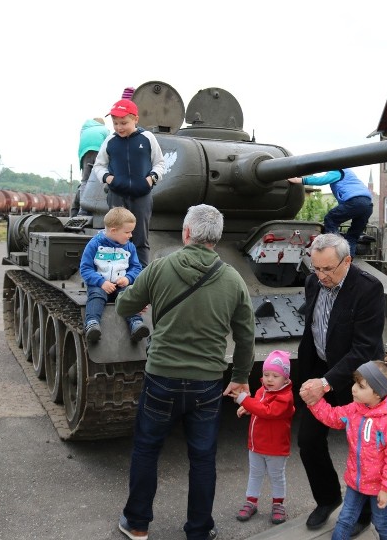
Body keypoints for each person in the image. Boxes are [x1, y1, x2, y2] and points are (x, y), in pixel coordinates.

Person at [114, 204, 255, 540]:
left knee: (147, 448)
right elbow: (246, 333)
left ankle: (136, 524)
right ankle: (198, 530)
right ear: (216, 238)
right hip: (207, 383)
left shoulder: (160, 268)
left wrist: (145, 299)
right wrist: (240, 375)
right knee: (203, 458)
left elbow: (123, 306)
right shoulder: (233, 279)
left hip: (161, 376)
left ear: (187, 233)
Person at [297, 233, 385, 536]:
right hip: (321, 370)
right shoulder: (313, 282)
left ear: (347, 261)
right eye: (315, 268)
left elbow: (364, 348)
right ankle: (328, 498)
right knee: (308, 441)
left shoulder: (368, 289)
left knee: (362, 448)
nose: (320, 276)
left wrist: (325, 382)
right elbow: (311, 330)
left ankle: (362, 512)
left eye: (327, 269)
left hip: (359, 380)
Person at [304, 351, 387, 540]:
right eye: (355, 383)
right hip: (355, 481)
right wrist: (314, 402)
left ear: (377, 393)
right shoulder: (354, 410)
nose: (353, 389)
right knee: (344, 519)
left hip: (380, 487)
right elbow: (333, 417)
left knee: (381, 522)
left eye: (360, 386)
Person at [93, 98, 167, 267]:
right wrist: (108, 178)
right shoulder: (110, 141)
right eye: (115, 123)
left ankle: (140, 277)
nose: (119, 127)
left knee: (140, 239)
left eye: (124, 123)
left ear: (135, 119)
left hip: (142, 195)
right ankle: (114, 274)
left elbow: (160, 163)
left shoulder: (147, 138)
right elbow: (99, 165)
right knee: (116, 237)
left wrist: (151, 179)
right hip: (117, 195)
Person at [230, 349, 295, 525]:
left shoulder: (285, 398)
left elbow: (266, 411)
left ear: (286, 378)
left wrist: (244, 400)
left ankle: (278, 504)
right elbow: (258, 406)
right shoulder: (262, 390)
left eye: (275, 375)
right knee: (255, 474)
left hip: (275, 447)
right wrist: (248, 407)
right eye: (266, 374)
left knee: (276, 475)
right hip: (256, 444)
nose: (269, 379)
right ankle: (251, 501)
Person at [79, 207, 148, 344]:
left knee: (129, 296)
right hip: (100, 285)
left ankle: (136, 323)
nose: (130, 235)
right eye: (127, 232)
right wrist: (101, 282)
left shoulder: (129, 247)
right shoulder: (95, 245)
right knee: (96, 296)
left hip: (120, 284)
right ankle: (92, 323)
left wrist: (128, 278)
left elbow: (136, 267)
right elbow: (85, 268)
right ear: (113, 230)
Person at [288, 169, 373, 257]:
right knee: (353, 236)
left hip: (355, 202)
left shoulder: (338, 171)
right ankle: (348, 260)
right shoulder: (349, 173)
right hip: (368, 205)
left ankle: (334, 251)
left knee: (330, 219)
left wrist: (300, 180)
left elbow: (322, 180)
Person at [71, 117, 110, 217]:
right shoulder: (105, 130)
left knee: (85, 180)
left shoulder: (84, 129)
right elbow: (109, 144)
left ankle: (82, 209)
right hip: (99, 151)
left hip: (85, 153)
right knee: (100, 178)